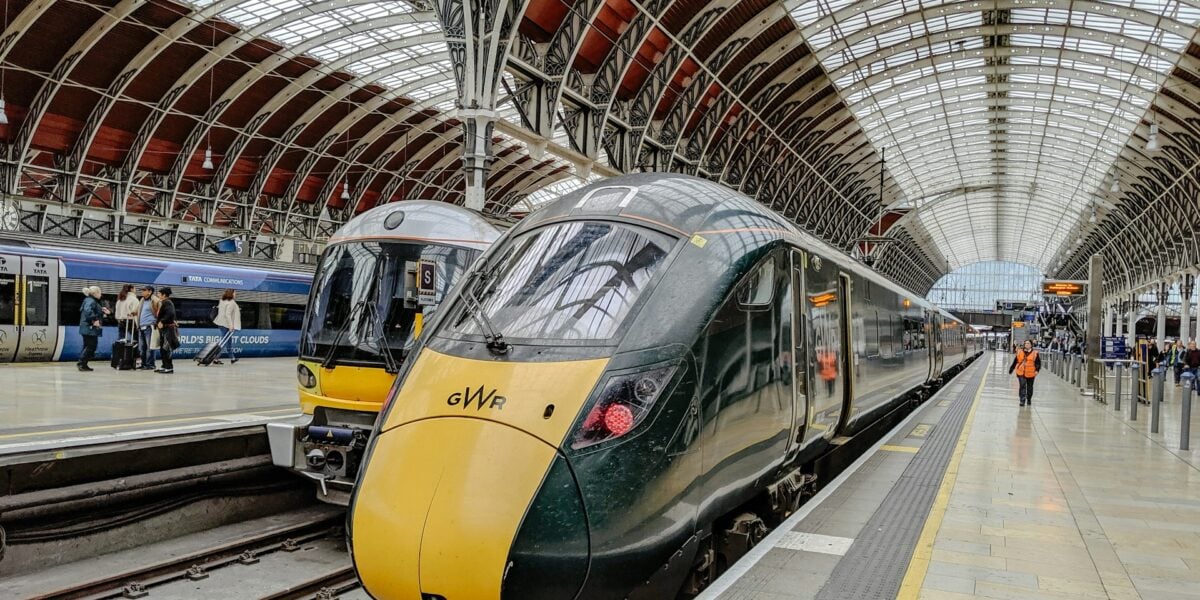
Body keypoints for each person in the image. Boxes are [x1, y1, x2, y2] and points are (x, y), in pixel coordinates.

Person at [77, 286, 108, 371]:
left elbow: (91, 310)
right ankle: (81, 363)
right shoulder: (91, 301)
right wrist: (95, 320)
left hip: (87, 327)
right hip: (89, 328)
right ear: (95, 293)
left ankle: (83, 364)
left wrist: (101, 310)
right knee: (91, 346)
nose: (101, 294)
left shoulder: (90, 300)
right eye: (100, 292)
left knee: (88, 346)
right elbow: (88, 311)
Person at [1008, 339, 1041, 406]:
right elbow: (1015, 361)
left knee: (1029, 387)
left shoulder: (1035, 353)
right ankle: (1022, 400)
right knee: (1022, 385)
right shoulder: (1020, 352)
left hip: (1031, 373)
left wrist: (1037, 370)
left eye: (1028, 343)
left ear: (1031, 345)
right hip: (1021, 372)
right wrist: (1011, 368)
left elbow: (1038, 363)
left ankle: (1029, 399)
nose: (1027, 344)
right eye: (1026, 343)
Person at [213, 288, 242, 364]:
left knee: (228, 341)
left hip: (221, 323)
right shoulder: (231, 302)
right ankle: (215, 358)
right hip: (227, 325)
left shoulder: (222, 301)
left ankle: (232, 358)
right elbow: (227, 315)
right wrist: (231, 326)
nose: (236, 294)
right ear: (231, 294)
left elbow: (222, 311)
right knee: (224, 342)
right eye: (235, 293)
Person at [155, 287, 178, 374]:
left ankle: (169, 367)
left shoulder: (167, 302)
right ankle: (164, 366)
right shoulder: (164, 302)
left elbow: (170, 314)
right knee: (162, 348)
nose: (158, 295)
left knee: (166, 348)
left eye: (159, 293)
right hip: (164, 329)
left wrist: (162, 321)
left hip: (168, 329)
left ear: (164, 295)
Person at [136, 285, 158, 370]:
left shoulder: (155, 300)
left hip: (150, 327)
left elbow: (159, 311)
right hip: (141, 326)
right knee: (142, 347)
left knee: (150, 347)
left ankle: (150, 364)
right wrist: (133, 312)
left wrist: (155, 322)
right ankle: (144, 363)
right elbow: (139, 310)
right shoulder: (142, 300)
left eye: (144, 290)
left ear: (150, 291)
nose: (142, 292)